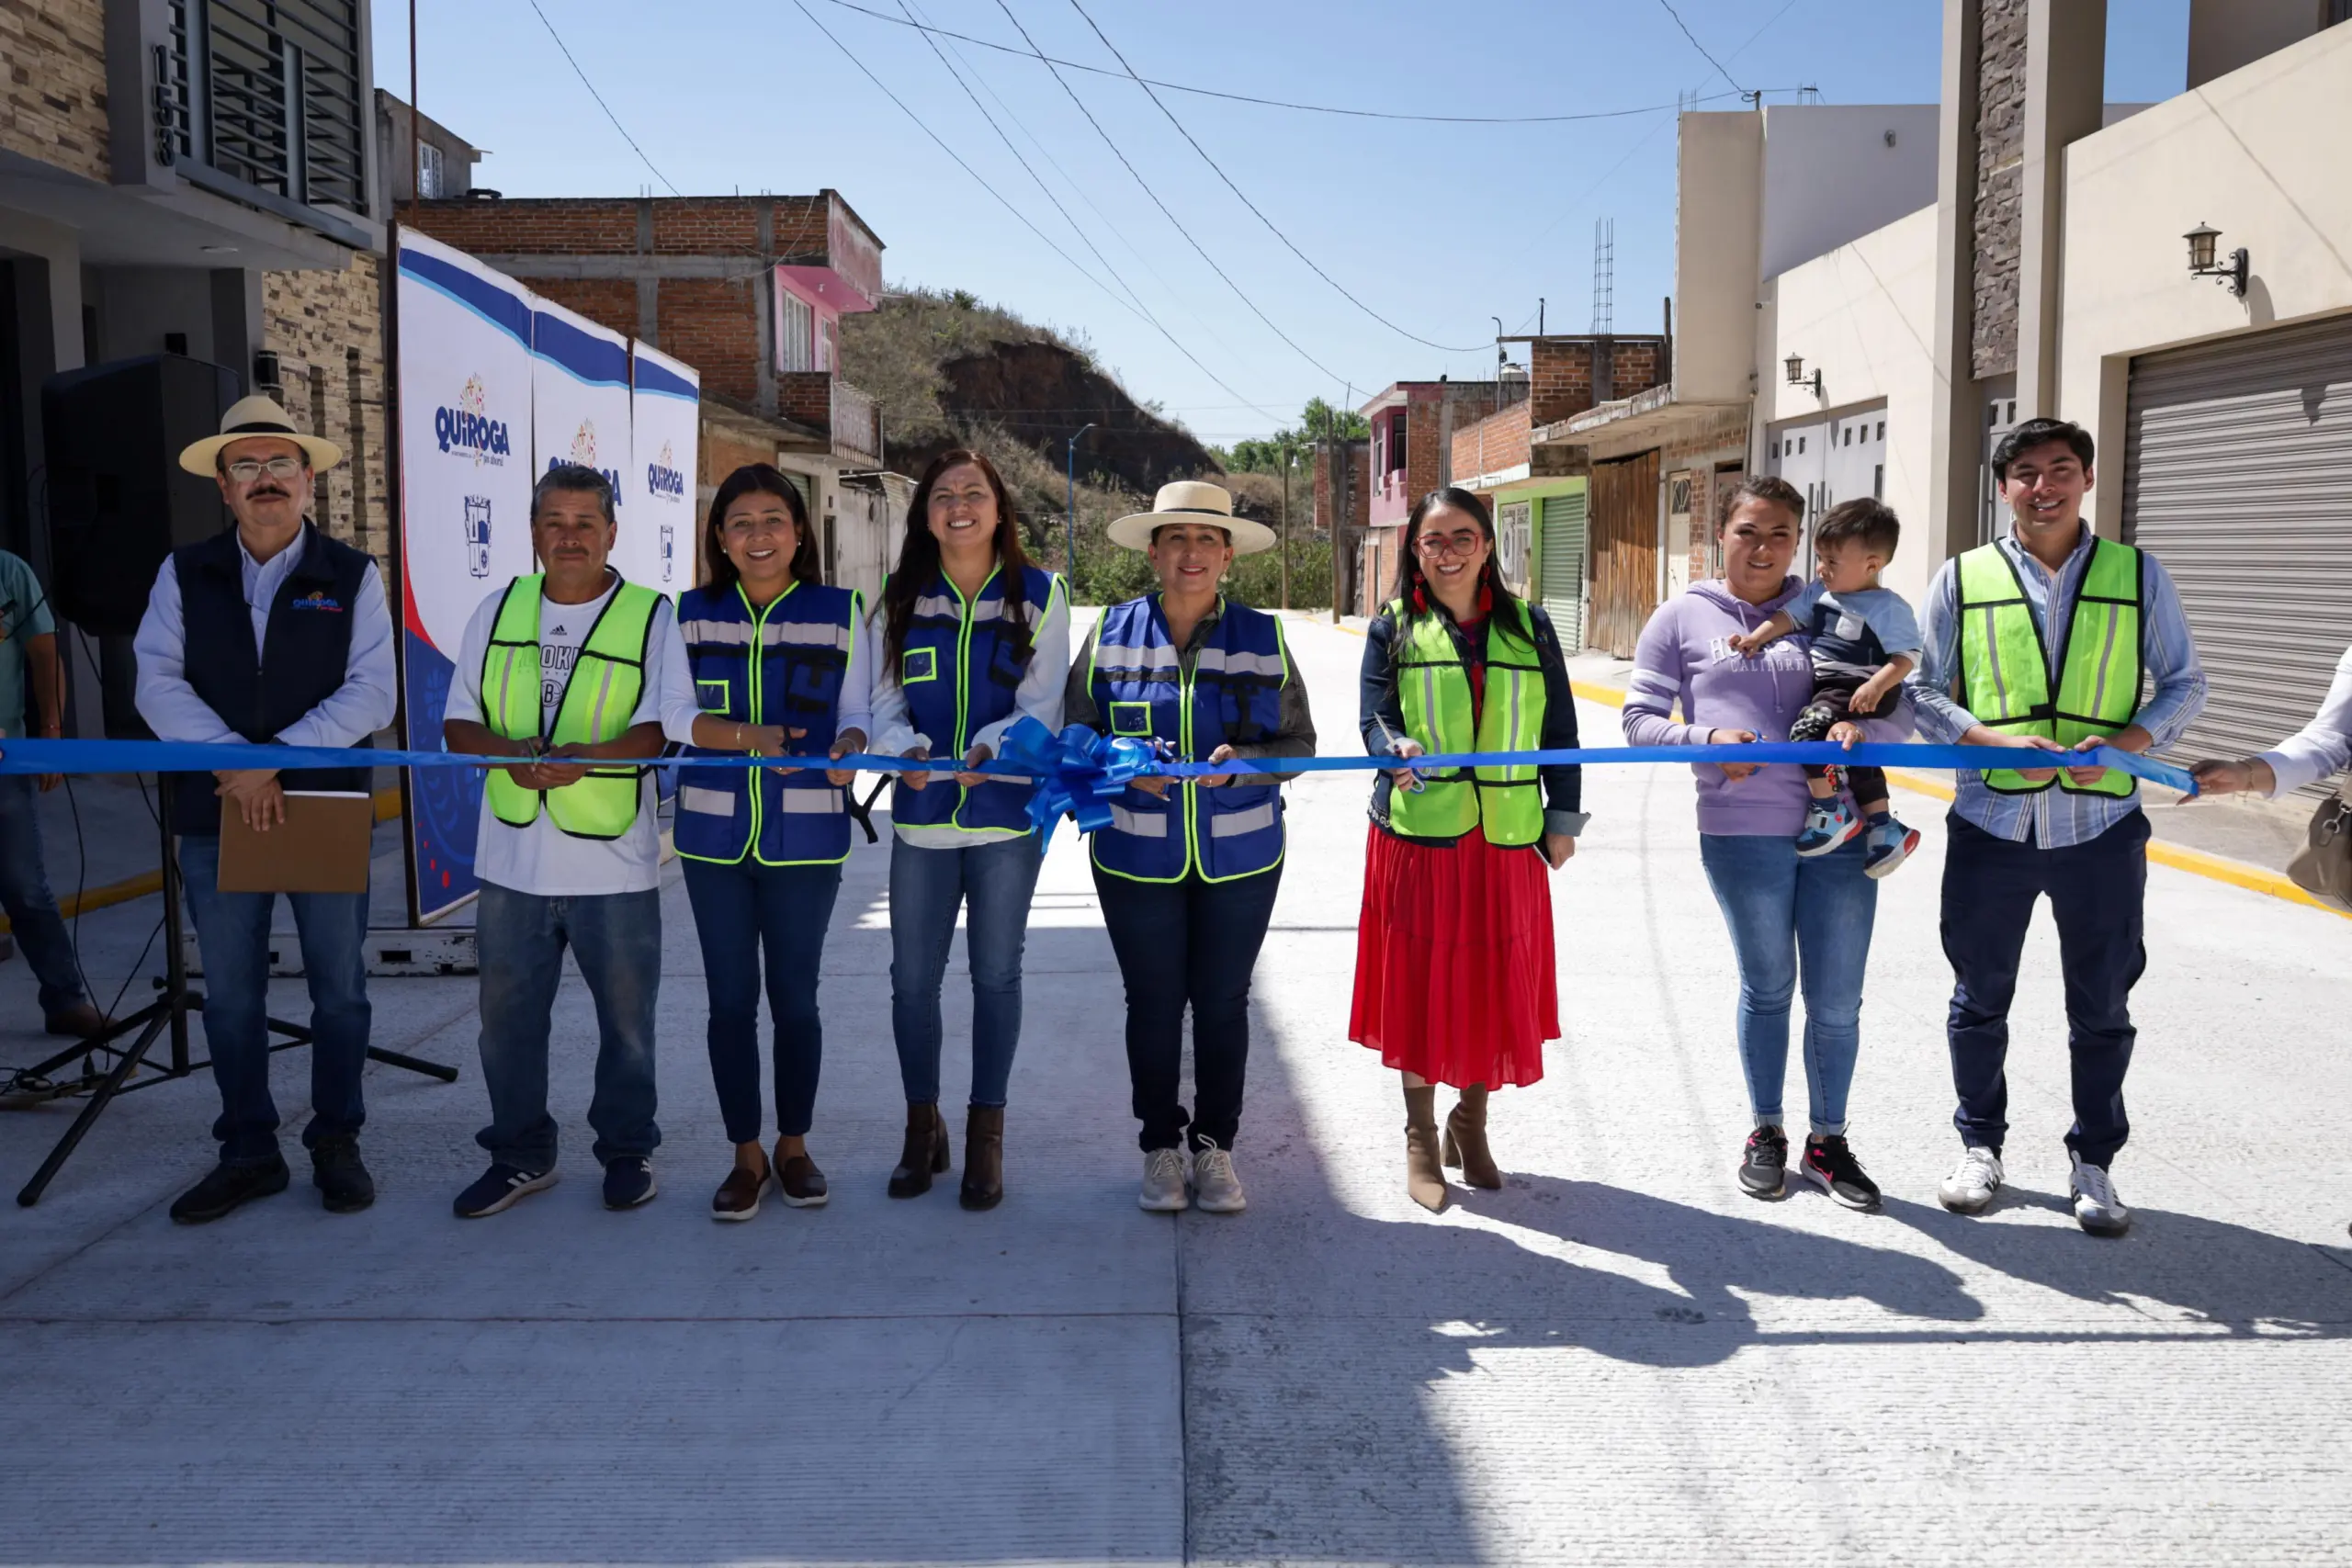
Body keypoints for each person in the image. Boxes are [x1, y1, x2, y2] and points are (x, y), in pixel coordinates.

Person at [1906, 417, 2206, 1237]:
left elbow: (2184, 681)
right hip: (1991, 821)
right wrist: (1994, 740)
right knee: (1978, 998)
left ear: (2087, 478)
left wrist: (2128, 745)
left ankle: (2095, 1162)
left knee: (2102, 1003)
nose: (2045, 486)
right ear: (2003, 487)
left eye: (2061, 469)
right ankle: (1979, 1144)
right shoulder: (1961, 578)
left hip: (2101, 826)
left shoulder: (2137, 575)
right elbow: (1925, 692)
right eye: (2027, 473)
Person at [134, 396, 397, 1223]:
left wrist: (269, 763)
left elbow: (373, 692)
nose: (265, 479)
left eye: (280, 463)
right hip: (217, 811)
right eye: (245, 466)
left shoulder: (354, 575)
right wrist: (236, 767)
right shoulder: (182, 572)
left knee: (340, 990)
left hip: (317, 805)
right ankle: (248, 1148)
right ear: (222, 486)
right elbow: (155, 681)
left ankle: (335, 1141)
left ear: (308, 479)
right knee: (235, 996)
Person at [1623, 476, 1905, 1212]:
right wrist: (1707, 739)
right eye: (1749, 529)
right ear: (1721, 533)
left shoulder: (1836, 608)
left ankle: (1829, 1141)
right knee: (1770, 987)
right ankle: (1768, 1132)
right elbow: (1640, 720)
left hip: (1841, 829)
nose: (1764, 545)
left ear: (1801, 543)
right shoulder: (1681, 617)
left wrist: (1863, 730)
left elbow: (1906, 711)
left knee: (1837, 1000)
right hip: (1741, 833)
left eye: (1781, 533)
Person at [442, 463, 697, 1219]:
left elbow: (661, 728)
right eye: (555, 521)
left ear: (613, 532)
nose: (571, 536)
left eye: (587, 522)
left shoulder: (651, 616)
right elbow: (458, 726)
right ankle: (521, 1155)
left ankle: (626, 1151)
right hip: (513, 863)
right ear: (533, 531)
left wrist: (586, 759)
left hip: (612, 864)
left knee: (627, 1025)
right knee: (507, 1024)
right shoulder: (498, 608)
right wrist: (507, 753)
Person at [1064, 481, 1315, 1215]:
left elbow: (1302, 745)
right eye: (1177, 537)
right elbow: (1074, 740)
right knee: (1152, 1002)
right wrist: (1120, 765)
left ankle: (1216, 1147)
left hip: (1242, 856)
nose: (1192, 552)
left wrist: (1259, 760)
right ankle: (1160, 1148)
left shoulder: (1264, 638)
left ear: (1229, 555)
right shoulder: (1109, 632)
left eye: (1208, 539)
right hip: (1135, 857)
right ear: (1152, 550)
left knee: (1222, 1003)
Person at [1352, 486, 1582, 1214]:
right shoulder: (1392, 628)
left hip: (1506, 838)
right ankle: (1421, 1138)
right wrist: (1394, 747)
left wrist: (1564, 817)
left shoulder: (1531, 626)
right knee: (1420, 986)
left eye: (1461, 538)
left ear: (1487, 544)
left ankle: (1470, 1125)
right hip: (1422, 838)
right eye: (1432, 541)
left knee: (1489, 983)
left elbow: (1561, 730)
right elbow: (1372, 719)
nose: (1447, 553)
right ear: (1414, 552)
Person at [863, 448, 1068, 1211]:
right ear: (925, 513)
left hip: (1006, 820)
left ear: (999, 508)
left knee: (996, 976)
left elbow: (1044, 704)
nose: (958, 505)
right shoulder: (898, 599)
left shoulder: (1042, 596)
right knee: (911, 983)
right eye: (943, 495)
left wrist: (998, 744)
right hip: (920, 821)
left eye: (973, 493)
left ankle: (987, 1135)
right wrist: (901, 751)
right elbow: (881, 701)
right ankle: (923, 1127)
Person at [674, 464, 869, 1220]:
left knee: (797, 999)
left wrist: (850, 741)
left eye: (773, 520)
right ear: (719, 539)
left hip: (809, 839)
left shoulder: (842, 609)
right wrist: (747, 736)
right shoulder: (686, 614)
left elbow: (859, 712)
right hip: (712, 840)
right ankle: (744, 1155)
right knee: (729, 1002)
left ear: (799, 532)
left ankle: (793, 1145)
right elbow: (673, 717)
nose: (759, 536)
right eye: (741, 523)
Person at [1726, 498, 1924, 875]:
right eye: (1820, 557)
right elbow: (1788, 616)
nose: (1821, 568)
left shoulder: (1888, 607)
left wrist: (1876, 687)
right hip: (1832, 688)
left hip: (1863, 685)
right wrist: (1756, 637)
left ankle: (1830, 812)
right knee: (1854, 754)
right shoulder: (1820, 591)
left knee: (1805, 733)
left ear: (1872, 565)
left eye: (1832, 561)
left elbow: (1906, 657)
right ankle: (1884, 827)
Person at [0, 544, 105, 1036]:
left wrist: (52, 732)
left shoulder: (9, 570)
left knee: (25, 886)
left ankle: (64, 1000)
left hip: (7, 760)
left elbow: (44, 654)